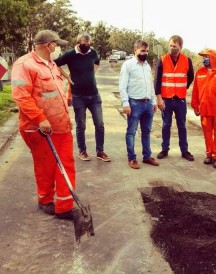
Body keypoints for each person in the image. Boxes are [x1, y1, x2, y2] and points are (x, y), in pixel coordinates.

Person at [11, 30, 77, 219]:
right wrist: (41, 119)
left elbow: (54, 95)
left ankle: (64, 206)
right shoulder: (24, 65)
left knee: (66, 164)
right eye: (56, 44)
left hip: (61, 126)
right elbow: (21, 96)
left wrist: (66, 117)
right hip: (40, 129)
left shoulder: (51, 65)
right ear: (48, 45)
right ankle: (45, 200)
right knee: (45, 166)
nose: (57, 48)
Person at [54, 32, 111, 162]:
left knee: (100, 124)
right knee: (81, 125)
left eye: (89, 44)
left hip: (94, 95)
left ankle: (100, 151)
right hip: (78, 95)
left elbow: (96, 62)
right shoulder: (69, 54)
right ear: (78, 43)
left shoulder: (93, 52)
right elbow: (55, 64)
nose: (87, 46)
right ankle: (82, 151)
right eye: (84, 44)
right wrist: (67, 76)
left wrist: (91, 74)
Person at [119, 40, 159, 169]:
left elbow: (150, 85)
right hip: (134, 103)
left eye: (147, 51)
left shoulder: (147, 66)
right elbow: (122, 86)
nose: (145, 53)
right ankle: (132, 158)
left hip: (148, 104)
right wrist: (126, 103)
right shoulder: (128, 65)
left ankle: (147, 156)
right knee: (131, 132)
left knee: (146, 131)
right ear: (135, 50)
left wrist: (153, 101)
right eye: (142, 51)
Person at [154, 35, 195, 161]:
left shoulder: (187, 60)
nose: (172, 48)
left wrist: (183, 88)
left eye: (175, 46)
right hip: (166, 99)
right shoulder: (162, 59)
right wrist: (159, 98)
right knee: (166, 125)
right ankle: (164, 149)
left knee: (182, 125)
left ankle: (184, 151)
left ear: (181, 47)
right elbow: (157, 80)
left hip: (180, 99)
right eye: (170, 46)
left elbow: (191, 77)